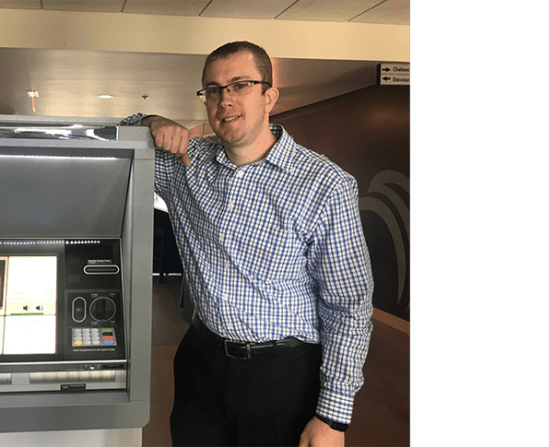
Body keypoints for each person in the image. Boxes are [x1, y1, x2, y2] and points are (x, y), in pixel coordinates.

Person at [120, 41, 373, 446]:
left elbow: (348, 305)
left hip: (283, 377)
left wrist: (333, 416)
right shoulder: (187, 164)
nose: (225, 100)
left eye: (240, 85)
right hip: (201, 363)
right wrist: (152, 119)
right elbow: (118, 136)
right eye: (214, 89)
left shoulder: (325, 185)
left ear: (269, 96)